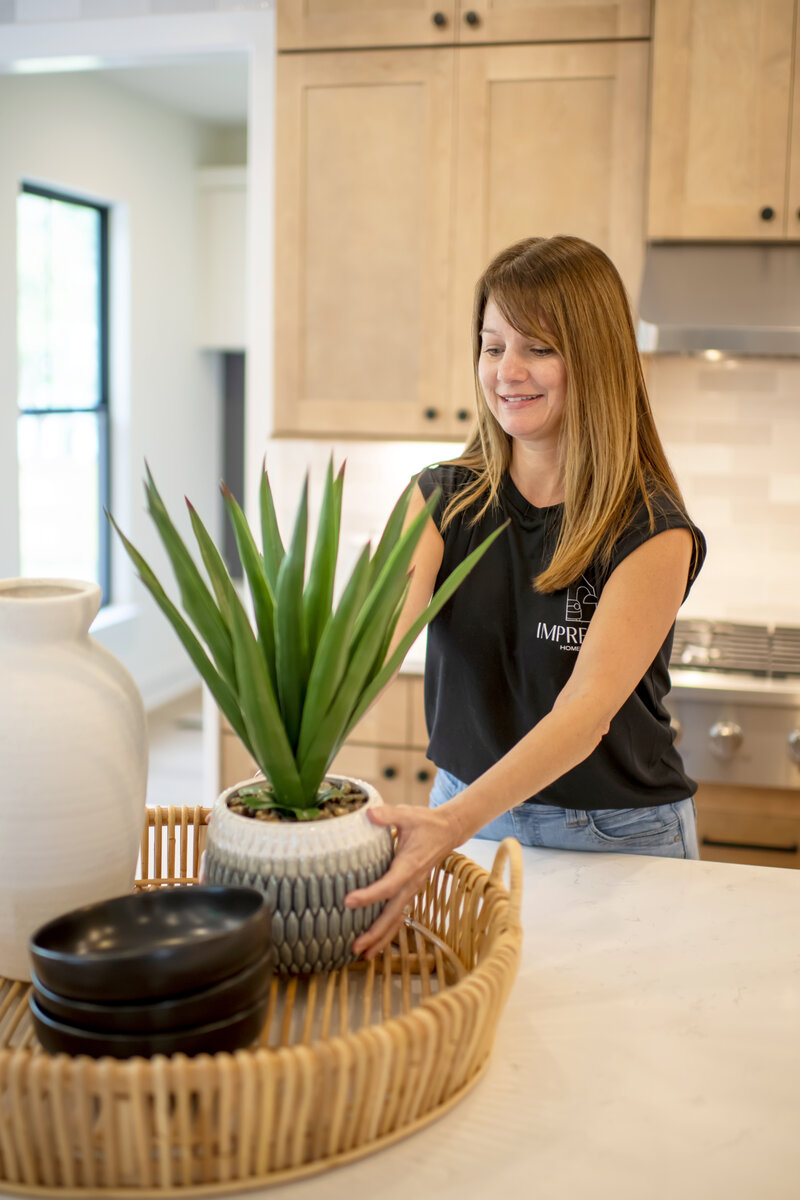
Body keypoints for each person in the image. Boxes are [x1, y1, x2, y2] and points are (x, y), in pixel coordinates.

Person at [346, 234, 706, 959]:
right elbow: (365, 651)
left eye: (537, 347)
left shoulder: (650, 527)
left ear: (594, 359)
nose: (507, 371)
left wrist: (454, 824)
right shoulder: (439, 500)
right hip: (460, 811)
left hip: (616, 835)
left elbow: (583, 716)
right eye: (491, 346)